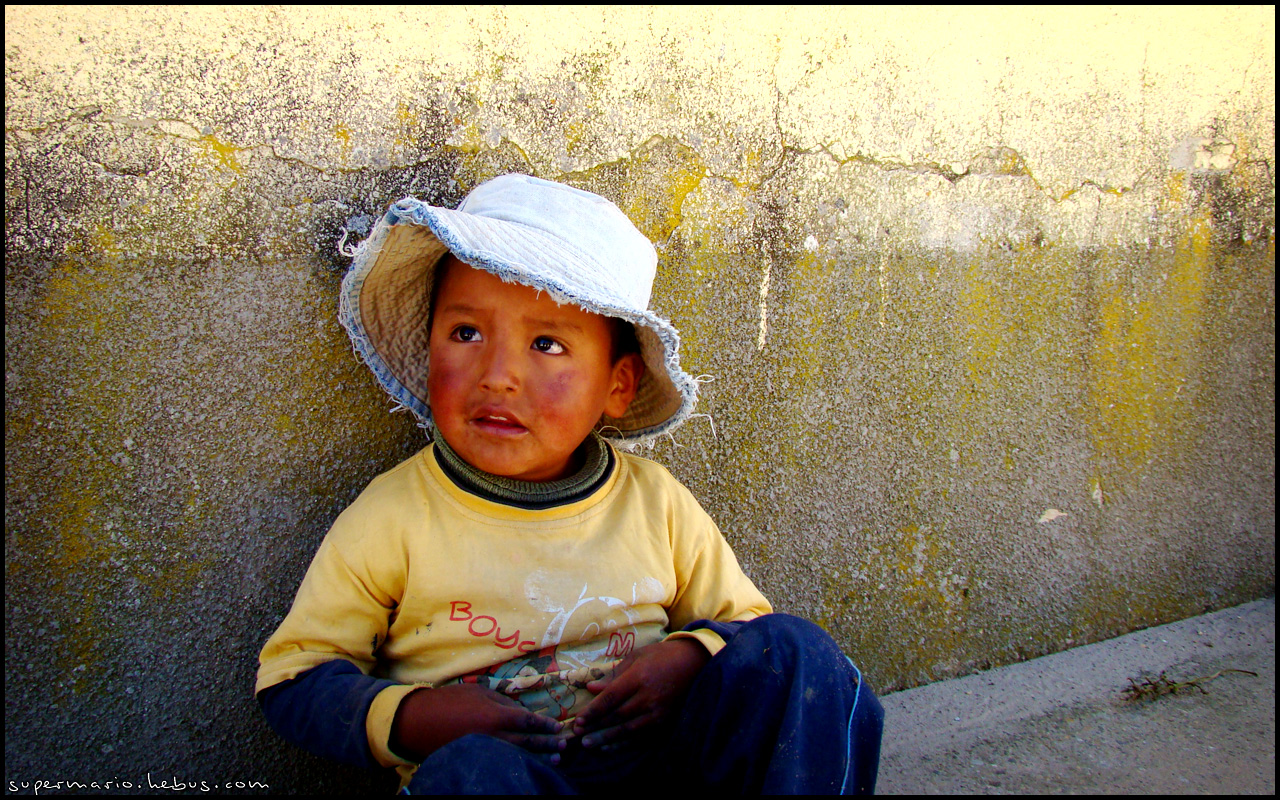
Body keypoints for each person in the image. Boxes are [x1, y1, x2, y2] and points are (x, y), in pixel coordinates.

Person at [256, 174, 884, 794]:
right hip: (512, 781)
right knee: (470, 778)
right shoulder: (393, 516)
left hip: (667, 767)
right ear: (428, 347)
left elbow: (748, 628)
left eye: (548, 344)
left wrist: (689, 656)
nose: (498, 375)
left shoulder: (654, 503)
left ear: (618, 385)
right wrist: (418, 719)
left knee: (797, 652)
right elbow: (294, 678)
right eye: (466, 333)